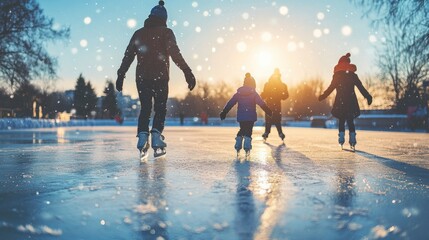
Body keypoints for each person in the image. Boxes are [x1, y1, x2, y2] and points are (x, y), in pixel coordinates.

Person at [116, 1, 196, 158]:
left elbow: (128, 56)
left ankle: (143, 137)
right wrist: (187, 71)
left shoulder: (139, 33)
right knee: (160, 107)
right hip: (160, 77)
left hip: (142, 77)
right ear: (164, 19)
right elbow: (175, 53)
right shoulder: (166, 32)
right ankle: (157, 137)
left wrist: (121, 74)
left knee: (145, 108)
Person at [318, 53, 372, 149]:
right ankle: (352, 138)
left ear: (339, 64)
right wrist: (368, 96)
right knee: (350, 120)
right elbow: (361, 87)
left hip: (340, 101)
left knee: (342, 120)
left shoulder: (337, 76)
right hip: (351, 101)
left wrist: (323, 96)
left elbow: (331, 88)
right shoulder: (353, 75)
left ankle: (341, 137)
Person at [220, 73, 272, 155]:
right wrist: (268, 110)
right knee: (248, 130)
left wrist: (224, 111)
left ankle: (238, 140)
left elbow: (231, 102)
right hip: (250, 116)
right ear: (253, 84)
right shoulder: (254, 93)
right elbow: (261, 103)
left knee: (242, 129)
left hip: (241, 117)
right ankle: (247, 146)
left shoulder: (239, 93)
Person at [260, 68, 289, 141]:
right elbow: (285, 95)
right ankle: (276, 133)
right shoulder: (277, 84)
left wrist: (263, 95)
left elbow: (285, 95)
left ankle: (271, 132)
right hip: (274, 104)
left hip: (272, 104)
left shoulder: (273, 84)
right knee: (274, 119)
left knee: (273, 119)